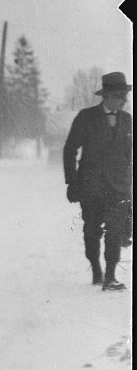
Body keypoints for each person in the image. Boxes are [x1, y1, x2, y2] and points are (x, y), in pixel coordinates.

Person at [62, 71, 133, 291]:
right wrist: (72, 182)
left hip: (118, 187)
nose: (125, 100)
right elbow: (70, 149)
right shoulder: (86, 117)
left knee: (116, 230)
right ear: (108, 96)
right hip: (91, 186)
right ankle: (96, 269)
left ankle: (110, 275)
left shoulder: (128, 119)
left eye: (125, 96)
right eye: (121, 96)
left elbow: (129, 155)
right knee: (92, 230)